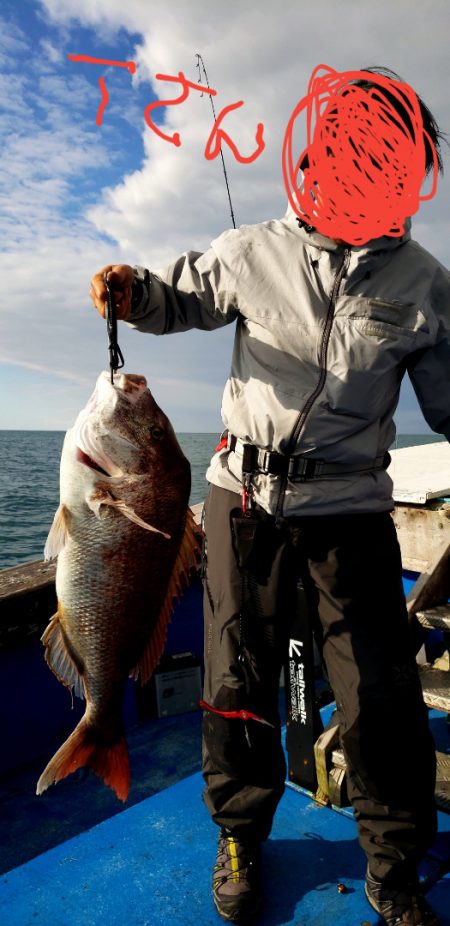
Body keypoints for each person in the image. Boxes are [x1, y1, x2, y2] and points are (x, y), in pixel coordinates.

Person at [90, 66, 449, 926]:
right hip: (241, 502)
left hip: (353, 514)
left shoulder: (424, 284)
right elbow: (181, 296)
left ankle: (393, 864)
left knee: (379, 692)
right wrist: (133, 291)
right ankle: (242, 836)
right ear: (321, 155)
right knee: (237, 677)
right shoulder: (253, 250)